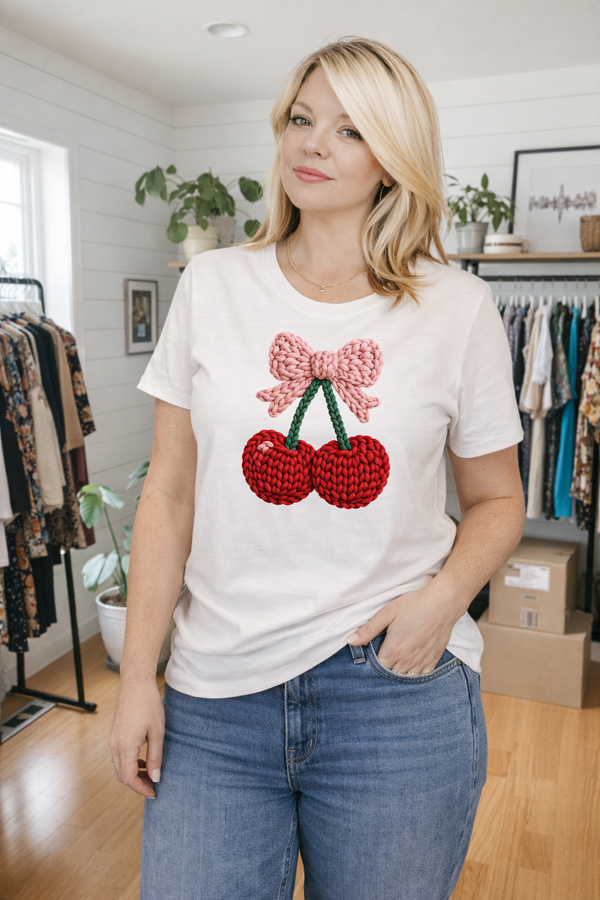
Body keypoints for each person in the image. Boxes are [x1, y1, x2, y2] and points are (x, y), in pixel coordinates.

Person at [109, 37, 525, 900]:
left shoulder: (459, 308)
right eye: (302, 119)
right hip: (215, 697)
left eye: (348, 129)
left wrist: (442, 602)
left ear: (392, 159)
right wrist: (137, 677)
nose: (312, 145)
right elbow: (170, 494)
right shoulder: (213, 284)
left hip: (394, 696)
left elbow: (496, 500)